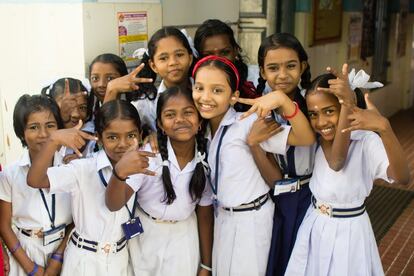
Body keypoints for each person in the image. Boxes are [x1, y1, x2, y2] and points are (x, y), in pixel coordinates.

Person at [192, 55, 315, 275]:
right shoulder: (201, 131)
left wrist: (284, 101)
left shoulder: (248, 122)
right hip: (223, 220)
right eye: (199, 88)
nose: (205, 97)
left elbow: (306, 138)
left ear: (234, 96)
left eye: (217, 90)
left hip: (252, 221)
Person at [285, 67, 409, 276]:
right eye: (313, 114)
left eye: (330, 111)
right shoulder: (315, 138)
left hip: (350, 231)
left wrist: (384, 128)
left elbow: (402, 177)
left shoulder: (365, 140)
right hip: (315, 224)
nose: (321, 122)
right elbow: (335, 158)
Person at [27, 100, 150, 275]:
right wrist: (53, 140)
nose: (122, 144)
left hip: (120, 258)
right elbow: (35, 180)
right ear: (99, 137)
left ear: (140, 134)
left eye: (131, 136)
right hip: (84, 261)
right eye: (112, 137)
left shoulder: (139, 166)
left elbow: (115, 202)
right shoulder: (83, 168)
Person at [105, 86, 213, 276]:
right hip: (146, 235)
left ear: (200, 123)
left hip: (185, 237)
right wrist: (119, 173)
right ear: (160, 125)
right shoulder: (148, 155)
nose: (180, 119)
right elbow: (114, 204)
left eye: (188, 112)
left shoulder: (206, 158)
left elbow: (205, 215)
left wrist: (206, 264)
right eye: (170, 115)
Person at [253, 33, 315, 276]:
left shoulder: (313, 104)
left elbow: (307, 137)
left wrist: (281, 99)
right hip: (275, 197)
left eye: (291, 66)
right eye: (273, 68)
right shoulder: (259, 111)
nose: (282, 75)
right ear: (261, 71)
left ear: (303, 66)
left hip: (309, 197)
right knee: (277, 260)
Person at [0, 94, 72, 276]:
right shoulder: (10, 174)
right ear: (21, 132)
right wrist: (30, 268)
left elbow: (77, 219)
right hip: (25, 252)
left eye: (50, 126)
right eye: (33, 127)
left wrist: (58, 258)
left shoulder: (71, 168)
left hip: (65, 250)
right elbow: (4, 226)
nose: (43, 134)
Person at [104, 27, 196, 132]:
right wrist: (112, 90)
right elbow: (113, 130)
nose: (173, 62)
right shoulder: (146, 104)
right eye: (163, 58)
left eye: (179, 55)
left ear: (190, 58)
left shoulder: (203, 92)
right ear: (153, 66)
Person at [194, 19, 260, 111]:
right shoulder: (194, 86)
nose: (218, 60)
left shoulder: (257, 79)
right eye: (208, 55)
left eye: (225, 52)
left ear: (236, 50)